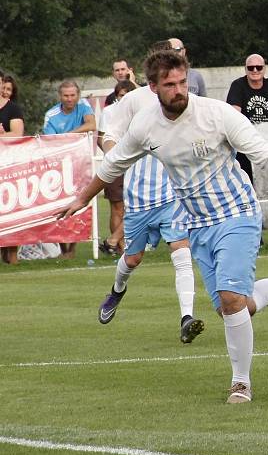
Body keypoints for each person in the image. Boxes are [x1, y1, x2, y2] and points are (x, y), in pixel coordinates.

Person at [59, 49, 268, 404]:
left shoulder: (215, 114)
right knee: (234, 306)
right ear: (153, 86)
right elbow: (112, 165)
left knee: (230, 299)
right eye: (169, 84)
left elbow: (264, 155)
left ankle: (241, 384)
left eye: (182, 82)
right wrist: (82, 198)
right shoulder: (146, 124)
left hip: (238, 213)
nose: (178, 90)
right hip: (198, 224)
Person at [95, 75, 204, 343]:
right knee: (132, 259)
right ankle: (117, 290)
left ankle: (186, 318)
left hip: (172, 195)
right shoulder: (134, 100)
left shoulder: (184, 99)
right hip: (140, 198)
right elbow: (109, 135)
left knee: (181, 252)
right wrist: (114, 155)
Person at [43, 81, 96, 259]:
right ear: (60, 96)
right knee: (58, 205)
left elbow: (91, 124)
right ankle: (63, 249)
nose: (70, 99)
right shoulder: (51, 115)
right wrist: (72, 139)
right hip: (58, 167)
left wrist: (69, 135)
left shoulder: (83, 105)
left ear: (78, 95)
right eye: (66, 95)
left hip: (79, 164)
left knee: (79, 203)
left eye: (73, 95)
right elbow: (50, 142)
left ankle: (71, 248)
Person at [226, 53, 268, 182]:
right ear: (246, 69)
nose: (255, 70)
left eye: (258, 67)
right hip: (245, 140)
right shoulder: (238, 85)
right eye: (251, 68)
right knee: (248, 179)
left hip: (266, 139)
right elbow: (234, 115)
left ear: (264, 68)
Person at [96, 79, 137, 256]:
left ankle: (115, 241)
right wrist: (115, 157)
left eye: (128, 95)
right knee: (117, 207)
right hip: (116, 163)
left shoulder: (141, 112)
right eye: (121, 95)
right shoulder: (109, 112)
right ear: (116, 96)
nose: (125, 98)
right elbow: (101, 138)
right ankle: (118, 247)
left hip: (137, 164)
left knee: (137, 207)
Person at [1, 74, 24, 265]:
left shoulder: (13, 108)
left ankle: (13, 260)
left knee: (10, 213)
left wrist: (4, 134)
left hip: (8, 167)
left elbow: (17, 135)